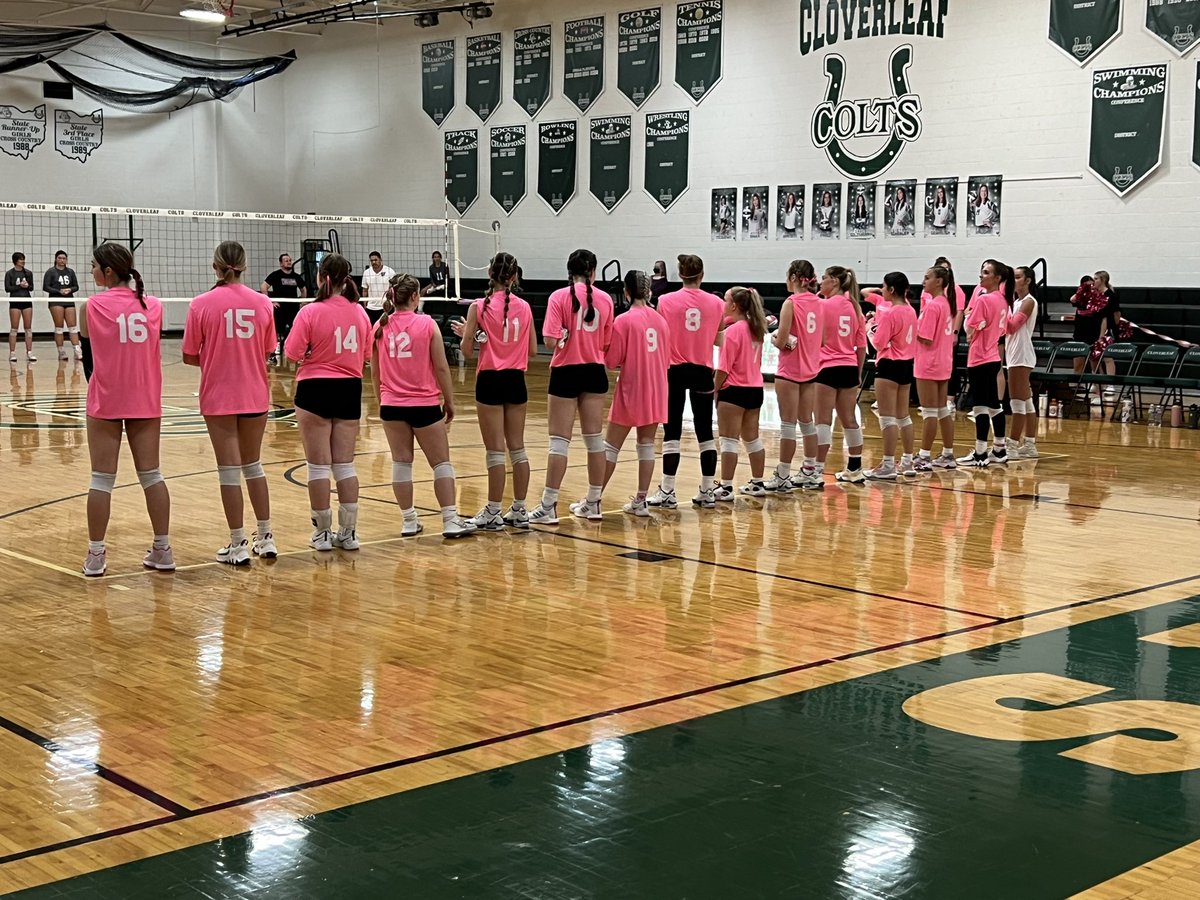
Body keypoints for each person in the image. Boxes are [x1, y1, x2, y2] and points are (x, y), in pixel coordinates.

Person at [78, 242, 172, 576]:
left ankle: (96, 556)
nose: (90, 272)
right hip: (144, 399)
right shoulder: (154, 305)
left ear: (107, 271)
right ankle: (163, 550)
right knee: (152, 475)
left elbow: (89, 354)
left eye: (93, 266)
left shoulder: (90, 306)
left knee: (101, 479)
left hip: (105, 398)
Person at [183, 241, 278, 565]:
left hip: (220, 395)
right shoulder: (263, 303)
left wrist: (217, 358)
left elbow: (189, 354)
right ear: (244, 266)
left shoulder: (200, 304)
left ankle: (237, 544)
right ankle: (265, 538)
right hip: (254, 393)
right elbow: (267, 349)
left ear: (215, 266)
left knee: (228, 471)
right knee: (253, 465)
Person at [373, 273, 475, 538]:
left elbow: (374, 371)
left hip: (391, 405)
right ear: (416, 297)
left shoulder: (379, 326)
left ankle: (408, 521)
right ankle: (450, 520)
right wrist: (450, 401)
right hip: (424, 404)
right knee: (441, 463)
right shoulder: (427, 324)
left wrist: (381, 400)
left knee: (401, 463)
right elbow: (442, 367)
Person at [284, 253, 372, 550]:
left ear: (323, 277)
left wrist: (314, 354)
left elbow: (292, 353)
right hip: (349, 387)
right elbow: (367, 354)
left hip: (315, 388)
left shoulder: (310, 312)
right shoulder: (359, 313)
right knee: (345, 466)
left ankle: (322, 535)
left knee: (318, 467)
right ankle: (348, 534)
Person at [528, 249, 615, 524]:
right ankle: (593, 503)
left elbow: (551, 342)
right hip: (594, 371)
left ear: (569, 271)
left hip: (566, 371)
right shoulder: (606, 300)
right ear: (594, 271)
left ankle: (548, 506)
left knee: (559, 443)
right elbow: (605, 342)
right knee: (594, 441)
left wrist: (566, 336)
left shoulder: (558, 297)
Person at [451, 252, 536, 530]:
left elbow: (467, 352)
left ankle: (493, 511)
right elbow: (533, 350)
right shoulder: (524, 307)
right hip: (516, 380)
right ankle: (520, 509)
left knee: (495, 452)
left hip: (490, 379)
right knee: (518, 449)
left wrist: (470, 333)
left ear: (490, 274)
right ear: (514, 277)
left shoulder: (479, 306)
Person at [647, 254, 724, 510]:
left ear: (680, 275)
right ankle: (707, 490)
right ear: (702, 275)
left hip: (674, 371)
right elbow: (718, 340)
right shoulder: (716, 303)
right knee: (705, 432)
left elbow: (659, 334)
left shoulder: (665, 300)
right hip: (702, 369)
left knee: (672, 432)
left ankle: (667, 491)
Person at [599, 270, 670, 516]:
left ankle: (593, 499)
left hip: (632, 388)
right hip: (658, 387)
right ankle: (641, 501)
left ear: (626, 292)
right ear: (648, 291)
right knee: (647, 445)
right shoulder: (661, 320)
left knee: (610, 447)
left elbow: (612, 361)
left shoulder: (624, 320)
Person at [766, 259, 823, 492]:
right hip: (811, 369)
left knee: (788, 425)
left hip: (790, 371)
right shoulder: (821, 303)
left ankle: (782, 475)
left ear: (793, 278)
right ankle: (811, 470)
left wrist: (775, 338)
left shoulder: (791, 302)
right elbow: (825, 339)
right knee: (807, 422)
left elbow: (781, 341)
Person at [814, 266, 867, 485]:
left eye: (824, 279)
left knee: (823, 421)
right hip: (849, 367)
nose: (820, 283)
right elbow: (861, 346)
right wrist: (857, 372)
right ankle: (855, 468)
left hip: (826, 366)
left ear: (835, 282)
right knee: (849, 419)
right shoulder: (855, 308)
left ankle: (816, 470)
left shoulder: (822, 306)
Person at [714, 286, 768, 499]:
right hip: (755, 389)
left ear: (734, 305)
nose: (723, 305)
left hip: (734, 390)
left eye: (725, 300)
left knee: (728, 440)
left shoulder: (734, 331)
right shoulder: (757, 328)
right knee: (752, 439)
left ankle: (726, 487)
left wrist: (715, 390)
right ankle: (757, 483)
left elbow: (723, 368)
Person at [864, 272, 918, 480]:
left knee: (887, 418)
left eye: (884, 286)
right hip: (906, 365)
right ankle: (907, 461)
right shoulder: (911, 311)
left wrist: (869, 325)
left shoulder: (890, 313)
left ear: (892, 289)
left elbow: (878, 342)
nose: (882, 290)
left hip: (888, 365)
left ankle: (887, 465)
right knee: (903, 416)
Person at [959, 259, 1012, 468]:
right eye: (981, 271)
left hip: (980, 357)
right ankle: (999, 448)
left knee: (981, 406)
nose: (981, 275)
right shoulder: (1003, 300)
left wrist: (968, 317)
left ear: (997, 278)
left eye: (986, 272)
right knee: (994, 404)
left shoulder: (984, 299)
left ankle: (980, 452)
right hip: (992, 357)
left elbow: (969, 327)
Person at [913, 264, 960, 471]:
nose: (924, 281)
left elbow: (925, 337)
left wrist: (906, 328)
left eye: (927, 277)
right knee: (942, 411)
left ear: (939, 281)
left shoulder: (933, 305)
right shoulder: (945, 304)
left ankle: (924, 456)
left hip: (929, 363)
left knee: (930, 411)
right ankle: (948, 454)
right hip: (943, 362)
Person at [1005, 265, 1039, 460]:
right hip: (1015, 353)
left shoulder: (1028, 301)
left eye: (1018, 277)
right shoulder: (1016, 302)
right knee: (1026, 402)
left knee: (1017, 401)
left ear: (1027, 281)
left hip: (1021, 354)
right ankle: (1029, 444)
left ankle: (1011, 445)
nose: (1014, 281)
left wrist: (997, 313)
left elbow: (1011, 326)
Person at [261, 253, 306, 364]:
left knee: (296, 330)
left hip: (293, 308)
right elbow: (263, 286)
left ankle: (297, 355)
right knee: (276, 331)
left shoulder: (296, 276)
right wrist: (271, 301)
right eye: (286, 260)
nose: (289, 262)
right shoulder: (276, 275)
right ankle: (272, 355)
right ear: (281, 263)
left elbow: (304, 289)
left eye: (290, 260)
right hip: (280, 308)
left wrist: (302, 302)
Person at [43, 250, 82, 361]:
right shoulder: (51, 272)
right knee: (59, 327)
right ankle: (61, 351)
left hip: (68, 300)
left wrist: (70, 289)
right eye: (59, 258)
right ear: (56, 259)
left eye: (64, 258)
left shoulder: (70, 272)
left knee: (73, 327)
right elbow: (46, 287)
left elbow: (76, 286)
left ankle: (77, 349)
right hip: (56, 301)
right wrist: (58, 291)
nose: (62, 260)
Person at [6, 251, 35, 362]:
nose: (23, 261)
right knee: (14, 328)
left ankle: (29, 352)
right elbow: (7, 288)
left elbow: (31, 287)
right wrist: (19, 286)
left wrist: (27, 286)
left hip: (26, 301)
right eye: (20, 259)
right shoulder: (10, 274)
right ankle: (12, 353)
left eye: (23, 259)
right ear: (15, 261)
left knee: (28, 328)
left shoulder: (28, 273)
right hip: (14, 302)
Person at [361, 251, 395, 323]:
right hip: (371, 307)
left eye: (375, 260)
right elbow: (365, 290)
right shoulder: (367, 272)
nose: (373, 262)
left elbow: (394, 289)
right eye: (372, 260)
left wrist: (393, 304)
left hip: (386, 307)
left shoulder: (390, 271)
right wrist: (365, 304)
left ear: (380, 260)